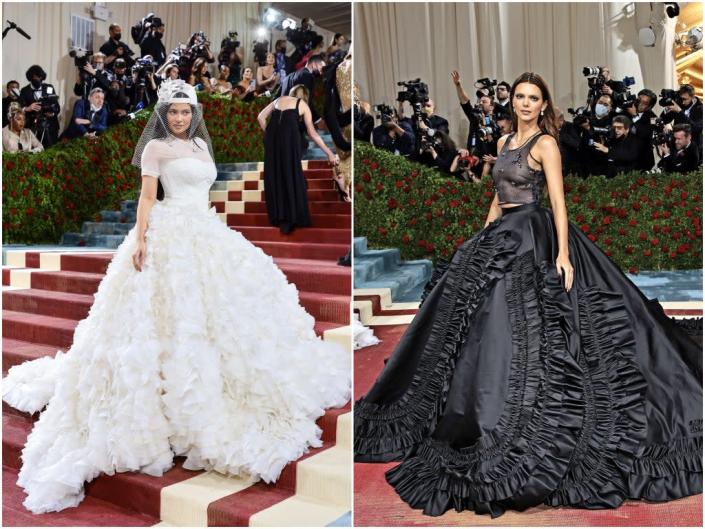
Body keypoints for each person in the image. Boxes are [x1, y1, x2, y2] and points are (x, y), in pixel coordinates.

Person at [354, 71, 702, 518]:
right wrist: (478, 245)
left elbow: (558, 201)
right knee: (474, 328)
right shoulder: (501, 146)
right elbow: (498, 200)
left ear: (543, 104)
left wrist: (563, 254)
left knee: (539, 329)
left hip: (534, 239)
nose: (524, 103)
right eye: (519, 96)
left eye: (533, 97)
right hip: (501, 238)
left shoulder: (546, 145)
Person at [2, 79, 350, 514]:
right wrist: (143, 239)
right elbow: (148, 197)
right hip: (167, 234)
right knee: (170, 319)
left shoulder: (203, 147)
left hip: (205, 231)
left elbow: (204, 195)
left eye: (186, 111)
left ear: (195, 112)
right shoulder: (155, 149)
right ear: (164, 114)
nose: (181, 118)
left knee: (229, 317)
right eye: (174, 112)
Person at [257, 85, 339, 234]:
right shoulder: (302, 105)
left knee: (275, 176)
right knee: (290, 174)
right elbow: (313, 133)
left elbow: (260, 117)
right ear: (305, 96)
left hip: (272, 143)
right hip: (289, 143)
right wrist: (329, 153)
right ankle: (291, 218)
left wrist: (269, 134)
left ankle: (279, 216)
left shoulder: (278, 99)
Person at [18, 64, 60, 148]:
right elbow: (19, 108)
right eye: (35, 77)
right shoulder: (24, 90)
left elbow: (56, 106)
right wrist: (28, 108)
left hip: (50, 126)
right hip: (32, 126)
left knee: (52, 149)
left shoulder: (49, 87)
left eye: (39, 77)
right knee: (34, 150)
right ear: (30, 78)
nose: (38, 79)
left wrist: (52, 113)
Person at [279, 55, 326, 126]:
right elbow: (305, 101)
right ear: (313, 64)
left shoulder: (288, 76)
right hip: (296, 121)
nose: (321, 71)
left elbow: (276, 96)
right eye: (321, 67)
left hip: (281, 119)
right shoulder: (308, 76)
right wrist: (318, 119)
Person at [626, 89, 658, 172]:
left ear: (649, 107)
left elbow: (644, 134)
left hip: (642, 161)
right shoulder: (627, 110)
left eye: (644, 103)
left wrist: (635, 116)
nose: (639, 104)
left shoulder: (653, 118)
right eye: (639, 100)